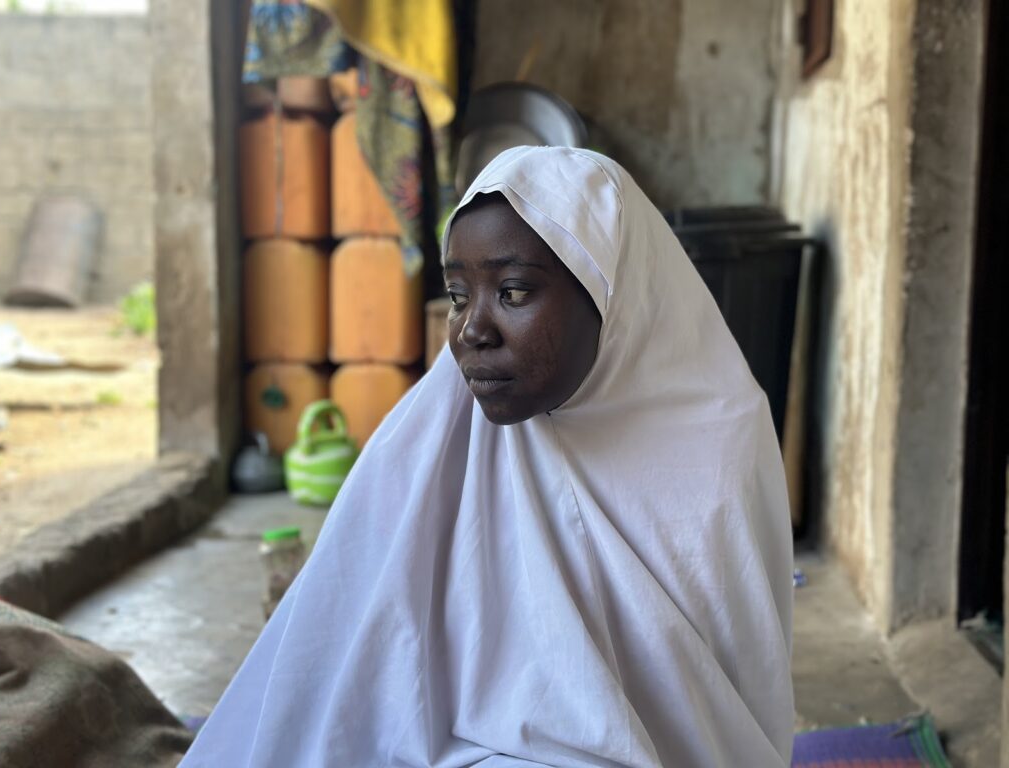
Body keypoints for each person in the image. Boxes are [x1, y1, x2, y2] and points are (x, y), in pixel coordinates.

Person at [182, 147, 794, 767]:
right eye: (456, 294)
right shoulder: (437, 439)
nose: (473, 330)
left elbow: (725, 713)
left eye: (513, 291)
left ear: (612, 293)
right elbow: (354, 680)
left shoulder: (719, 445)